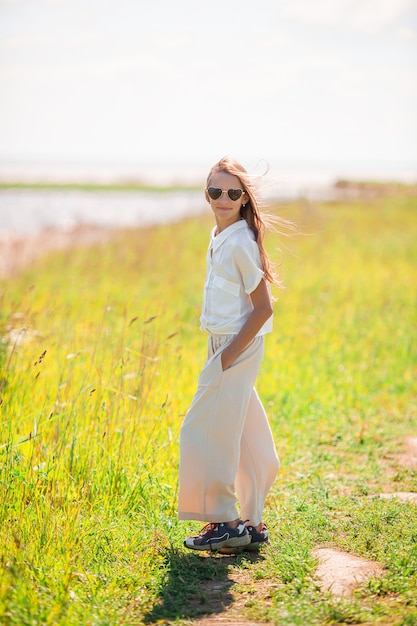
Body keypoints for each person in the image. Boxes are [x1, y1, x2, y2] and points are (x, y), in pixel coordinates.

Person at [178, 156, 281, 553]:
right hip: (222, 342)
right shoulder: (219, 235)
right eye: (216, 191)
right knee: (246, 433)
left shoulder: (240, 242)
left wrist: (225, 358)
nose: (224, 198)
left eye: (233, 192)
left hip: (236, 344)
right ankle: (252, 523)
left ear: (243, 199)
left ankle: (225, 522)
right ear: (206, 195)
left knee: (200, 432)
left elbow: (264, 308)